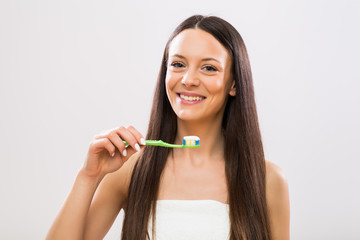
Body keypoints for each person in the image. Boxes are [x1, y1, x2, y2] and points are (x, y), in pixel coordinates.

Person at [47, 15, 290, 240]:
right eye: (177, 64)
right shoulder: (129, 170)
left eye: (209, 68)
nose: (188, 79)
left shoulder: (268, 180)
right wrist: (88, 177)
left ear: (234, 83)